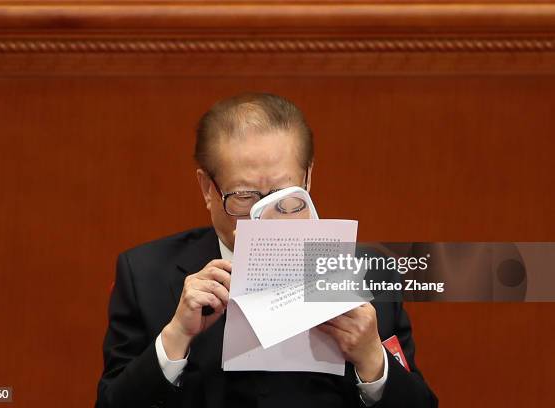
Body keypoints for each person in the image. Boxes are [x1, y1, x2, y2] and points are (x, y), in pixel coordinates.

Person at [96, 93, 438, 408]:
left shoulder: (369, 273)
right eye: (243, 197)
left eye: (284, 196)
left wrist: (373, 362)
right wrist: (175, 338)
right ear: (207, 188)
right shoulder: (145, 274)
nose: (266, 217)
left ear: (308, 179)